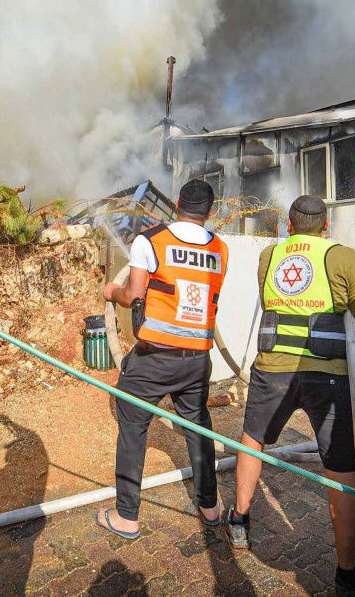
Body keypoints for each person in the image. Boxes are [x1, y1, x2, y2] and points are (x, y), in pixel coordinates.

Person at [225, 195, 355, 596]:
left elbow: (270, 301)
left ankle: (239, 522)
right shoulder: (343, 257)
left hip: (272, 368)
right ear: (325, 226)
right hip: (327, 374)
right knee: (342, 467)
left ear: (289, 225)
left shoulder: (270, 256)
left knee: (253, 441)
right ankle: (347, 572)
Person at [95, 179, 228, 539]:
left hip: (154, 358)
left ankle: (126, 516)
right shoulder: (220, 249)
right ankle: (210, 507)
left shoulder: (150, 241)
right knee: (198, 428)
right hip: (198, 360)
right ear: (210, 212)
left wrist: (111, 290)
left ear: (177, 203)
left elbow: (133, 295)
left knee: (133, 428)